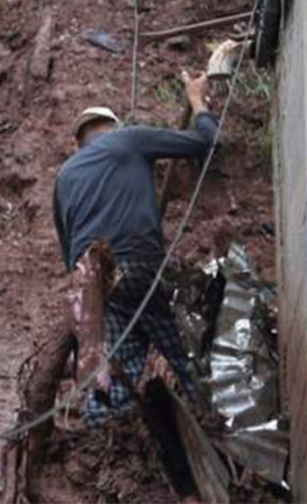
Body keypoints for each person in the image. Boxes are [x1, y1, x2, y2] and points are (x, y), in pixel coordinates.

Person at [53, 70, 217, 424]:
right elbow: (206, 141)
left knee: (115, 367)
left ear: (78, 143)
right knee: (182, 350)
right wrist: (197, 101)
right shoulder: (130, 140)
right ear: (115, 127)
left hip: (95, 281)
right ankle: (210, 418)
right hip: (138, 263)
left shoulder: (64, 175)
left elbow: (69, 252)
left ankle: (106, 437)